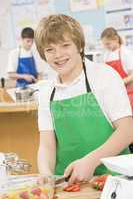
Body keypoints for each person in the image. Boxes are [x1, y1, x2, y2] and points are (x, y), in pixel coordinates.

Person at [35, 14, 133, 184]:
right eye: (50, 49)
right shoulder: (46, 92)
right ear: (43, 54)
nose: (58, 55)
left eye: (65, 45)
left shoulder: (104, 76)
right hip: (68, 184)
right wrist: (46, 173)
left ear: (79, 46)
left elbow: (127, 131)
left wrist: (91, 161)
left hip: (112, 181)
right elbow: (47, 145)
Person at [101, 27, 133, 112]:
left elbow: (132, 76)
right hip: (115, 95)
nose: (106, 47)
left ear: (115, 39)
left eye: (108, 44)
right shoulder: (106, 55)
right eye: (104, 45)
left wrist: (118, 83)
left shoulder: (125, 52)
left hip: (128, 95)